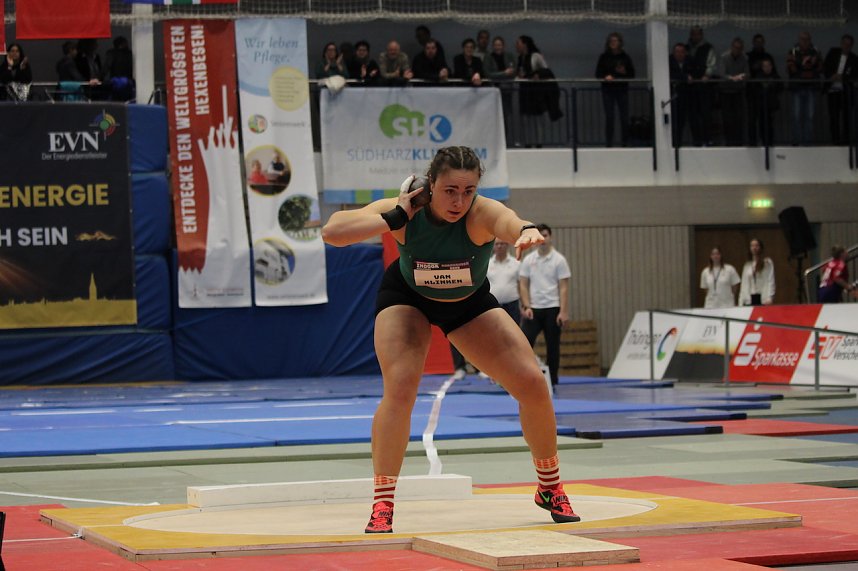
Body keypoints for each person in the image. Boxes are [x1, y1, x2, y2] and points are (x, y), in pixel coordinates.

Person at [321, 146, 580, 533]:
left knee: (531, 383)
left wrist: (526, 230)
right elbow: (333, 232)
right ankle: (383, 502)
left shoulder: (480, 213)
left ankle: (549, 486)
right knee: (402, 387)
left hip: (467, 302)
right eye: (449, 191)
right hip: (407, 298)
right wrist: (397, 216)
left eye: (468, 190)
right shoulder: (406, 209)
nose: (459, 201)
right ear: (431, 184)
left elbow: (509, 221)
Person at [519, 224, 570, 390]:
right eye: (540, 237)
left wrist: (563, 311)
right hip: (533, 309)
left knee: (552, 346)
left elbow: (563, 287)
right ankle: (522, 377)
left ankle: (552, 381)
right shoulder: (528, 260)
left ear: (550, 237)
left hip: (552, 308)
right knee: (525, 344)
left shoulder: (559, 260)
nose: (543, 240)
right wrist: (526, 306)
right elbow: (523, 284)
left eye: (546, 236)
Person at [595, 32, 635, 147]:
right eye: (611, 41)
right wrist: (605, 77)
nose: (613, 43)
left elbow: (632, 74)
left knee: (624, 117)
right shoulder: (604, 57)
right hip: (608, 90)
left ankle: (625, 143)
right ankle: (609, 143)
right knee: (610, 117)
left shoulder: (625, 57)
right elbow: (598, 73)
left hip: (622, 89)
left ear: (620, 43)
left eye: (615, 40)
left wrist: (623, 73)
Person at [786, 31, 823, 145]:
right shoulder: (792, 51)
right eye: (802, 39)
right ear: (799, 39)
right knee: (796, 116)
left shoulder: (816, 51)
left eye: (807, 39)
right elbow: (791, 70)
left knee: (810, 116)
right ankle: (797, 141)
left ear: (810, 40)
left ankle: (808, 142)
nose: (805, 42)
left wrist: (812, 64)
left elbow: (820, 69)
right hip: (797, 87)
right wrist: (803, 63)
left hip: (811, 87)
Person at [823, 34, 858, 145]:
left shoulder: (854, 59)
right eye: (844, 44)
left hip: (846, 92)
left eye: (848, 45)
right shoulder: (833, 53)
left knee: (846, 118)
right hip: (833, 91)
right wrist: (831, 76)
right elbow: (825, 67)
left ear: (851, 46)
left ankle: (845, 141)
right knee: (834, 117)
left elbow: (855, 75)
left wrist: (843, 78)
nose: (846, 46)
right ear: (841, 43)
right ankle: (835, 141)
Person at [686, 26, 717, 146]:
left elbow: (712, 64)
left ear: (701, 35)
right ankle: (697, 140)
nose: (695, 36)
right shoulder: (687, 48)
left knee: (706, 114)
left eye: (697, 34)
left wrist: (707, 75)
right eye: (693, 34)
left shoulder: (708, 48)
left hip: (704, 86)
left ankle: (707, 139)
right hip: (691, 86)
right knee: (693, 115)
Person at [718, 38, 749, 146]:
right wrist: (732, 78)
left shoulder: (744, 58)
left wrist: (742, 77)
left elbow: (747, 73)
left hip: (738, 91)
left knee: (739, 118)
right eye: (735, 48)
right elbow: (721, 74)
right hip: (725, 91)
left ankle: (739, 141)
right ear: (731, 47)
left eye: (740, 48)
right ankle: (728, 142)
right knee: (727, 119)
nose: (737, 50)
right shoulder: (724, 57)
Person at [747, 58, 783, 146]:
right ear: (762, 67)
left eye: (769, 66)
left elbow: (780, 88)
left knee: (770, 125)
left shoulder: (776, 77)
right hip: (761, 106)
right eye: (765, 66)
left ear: (771, 66)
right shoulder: (758, 78)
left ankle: (770, 142)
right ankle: (762, 142)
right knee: (762, 124)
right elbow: (755, 90)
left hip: (771, 106)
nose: (767, 68)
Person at [739, 238, 775, 306]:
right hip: (749, 299)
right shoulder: (747, 265)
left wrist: (770, 297)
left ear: (760, 248)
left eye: (756, 245)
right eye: (752, 246)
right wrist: (741, 301)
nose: (754, 248)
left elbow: (770, 280)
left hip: (763, 299)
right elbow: (744, 284)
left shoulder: (767, 263)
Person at [669, 42, 692, 146]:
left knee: (682, 121)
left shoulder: (690, 61)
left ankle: (679, 143)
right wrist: (684, 77)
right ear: (673, 53)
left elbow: (695, 72)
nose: (679, 54)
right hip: (672, 96)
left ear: (685, 53)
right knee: (672, 121)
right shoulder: (668, 61)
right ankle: (672, 143)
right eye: (677, 52)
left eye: (682, 52)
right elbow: (671, 74)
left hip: (686, 95)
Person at [103, 36, 134, 101]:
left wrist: (99, 78)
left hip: (115, 82)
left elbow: (106, 67)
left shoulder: (111, 53)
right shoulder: (130, 54)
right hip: (127, 82)